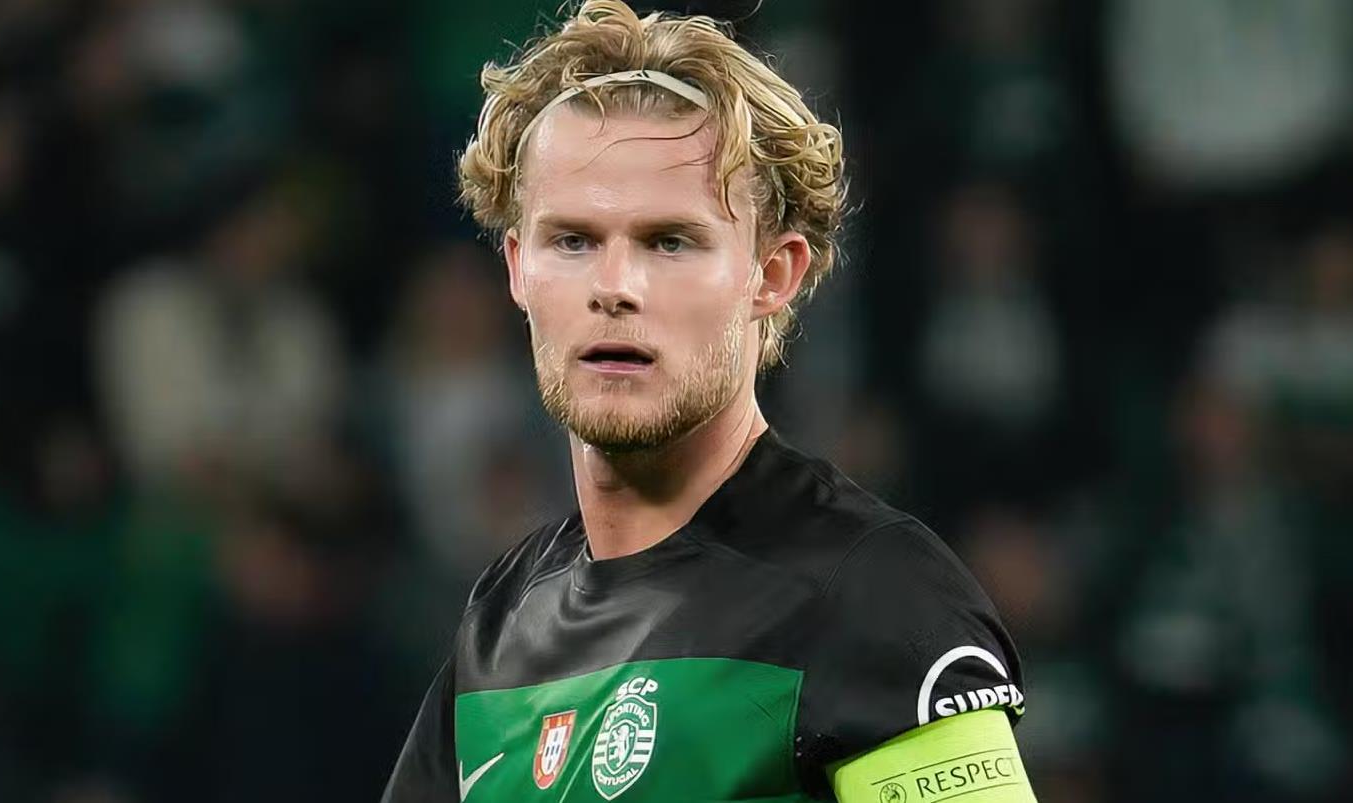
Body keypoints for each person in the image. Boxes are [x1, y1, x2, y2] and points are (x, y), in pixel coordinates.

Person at [382, 2, 1037, 801]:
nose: (614, 287)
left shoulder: (876, 599)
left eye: (670, 241)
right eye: (573, 240)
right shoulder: (499, 629)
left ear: (773, 274)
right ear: (518, 269)